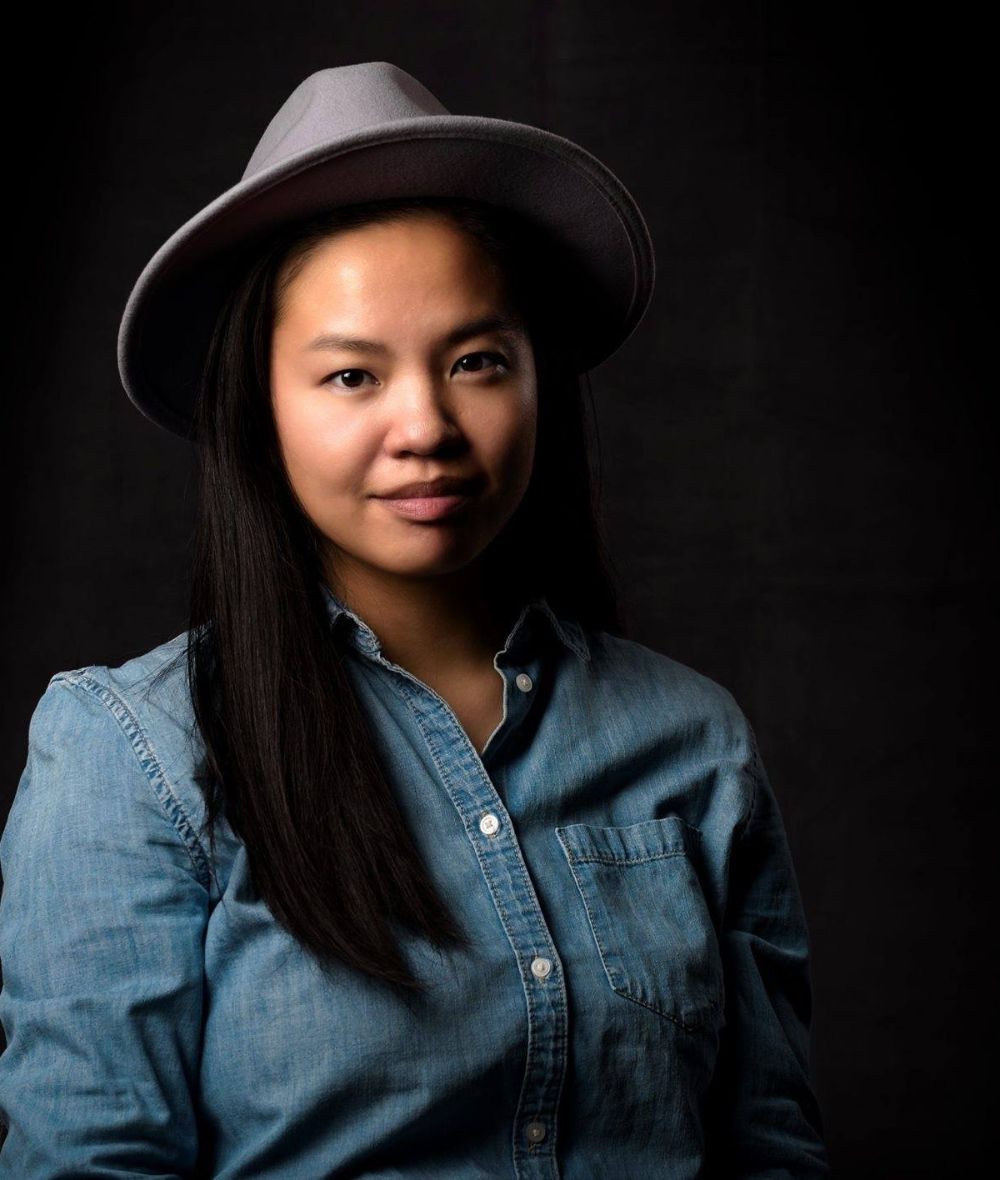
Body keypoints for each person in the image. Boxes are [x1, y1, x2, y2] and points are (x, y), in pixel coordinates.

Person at [0, 62, 831, 1177]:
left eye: (476, 362)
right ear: (260, 406)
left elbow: (770, 1148)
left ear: (541, 380)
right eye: (351, 377)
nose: (426, 424)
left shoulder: (692, 740)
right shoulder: (133, 755)